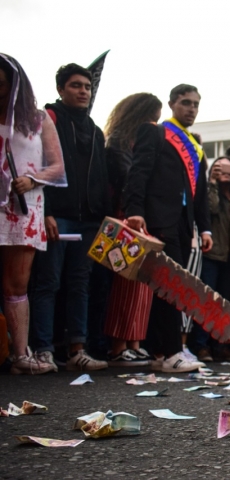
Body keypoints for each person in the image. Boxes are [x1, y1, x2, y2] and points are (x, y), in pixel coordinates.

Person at [123, 84, 211, 373]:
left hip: (184, 226)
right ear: (172, 104)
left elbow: (200, 193)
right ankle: (172, 352)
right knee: (170, 287)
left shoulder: (194, 144)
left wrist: (205, 229)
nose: (192, 109)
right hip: (159, 220)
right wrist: (135, 211)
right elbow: (139, 173)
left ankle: (163, 352)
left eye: (196, 104)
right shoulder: (157, 132)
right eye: (186, 102)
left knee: (171, 288)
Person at [31, 63, 111, 371]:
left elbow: (102, 177)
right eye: (76, 86)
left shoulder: (94, 130)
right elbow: (38, 166)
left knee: (80, 284)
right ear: (61, 90)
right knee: (47, 282)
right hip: (57, 217)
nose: (83, 92)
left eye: (87, 87)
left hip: (89, 220)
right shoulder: (46, 120)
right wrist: (46, 211)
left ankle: (77, 349)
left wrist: (103, 218)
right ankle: (43, 350)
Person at [0, 53, 66, 374]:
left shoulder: (38, 119)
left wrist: (33, 179)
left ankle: (20, 356)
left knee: (17, 284)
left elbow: (56, 167)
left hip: (22, 211)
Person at [102, 93, 163, 367]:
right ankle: (118, 345)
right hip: (126, 216)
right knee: (125, 281)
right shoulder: (117, 142)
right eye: (153, 116)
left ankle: (135, 343)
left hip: (141, 215)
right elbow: (129, 177)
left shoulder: (130, 140)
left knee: (143, 284)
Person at [192, 157, 230, 362]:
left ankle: (221, 345)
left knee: (226, 302)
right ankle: (201, 346)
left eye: (229, 168)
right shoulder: (208, 191)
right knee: (207, 301)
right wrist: (211, 183)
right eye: (218, 167)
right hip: (212, 254)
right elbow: (210, 209)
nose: (224, 172)